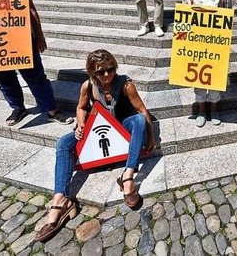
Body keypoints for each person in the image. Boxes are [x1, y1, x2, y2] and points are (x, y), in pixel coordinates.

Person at [35, 49, 156, 242]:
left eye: (111, 69)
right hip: (98, 128)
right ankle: (61, 199)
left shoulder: (126, 85)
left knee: (140, 121)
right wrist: (81, 124)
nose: (107, 75)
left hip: (121, 127)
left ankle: (128, 176)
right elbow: (81, 107)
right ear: (92, 73)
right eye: (101, 72)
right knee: (64, 143)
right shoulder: (87, 86)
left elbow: (142, 110)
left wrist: (151, 138)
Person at [182, 0, 231, 127]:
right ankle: (202, 109)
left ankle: (214, 107)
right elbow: (184, 20)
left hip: (216, 45)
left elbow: (228, 20)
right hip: (195, 46)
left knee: (216, 78)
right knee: (198, 79)